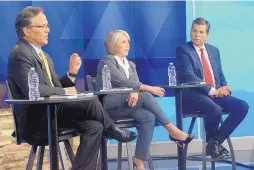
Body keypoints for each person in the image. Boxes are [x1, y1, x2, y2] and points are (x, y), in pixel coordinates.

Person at [7, 6, 137, 170]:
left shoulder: (43, 55)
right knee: (90, 101)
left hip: (52, 114)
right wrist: (64, 91)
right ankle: (111, 128)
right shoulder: (20, 53)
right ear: (26, 31)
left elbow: (54, 86)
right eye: (43, 26)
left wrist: (71, 73)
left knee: (94, 126)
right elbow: (31, 90)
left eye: (47, 25)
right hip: (36, 122)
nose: (48, 30)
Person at [96, 30, 194, 169]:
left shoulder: (131, 65)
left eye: (128, 42)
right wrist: (147, 88)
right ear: (113, 44)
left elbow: (134, 84)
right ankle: (172, 130)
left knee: (148, 116)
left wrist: (136, 91)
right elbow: (123, 81)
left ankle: (139, 159)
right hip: (108, 106)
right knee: (146, 95)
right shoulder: (106, 61)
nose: (128, 45)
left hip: (126, 105)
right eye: (123, 42)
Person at [176, 17, 249, 159]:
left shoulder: (214, 50)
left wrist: (223, 87)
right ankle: (214, 146)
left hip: (215, 93)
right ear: (190, 33)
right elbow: (189, 77)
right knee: (214, 110)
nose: (197, 35)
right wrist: (213, 90)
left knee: (242, 106)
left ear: (207, 35)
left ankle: (214, 142)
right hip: (194, 95)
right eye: (194, 31)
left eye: (201, 32)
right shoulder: (183, 50)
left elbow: (219, 74)